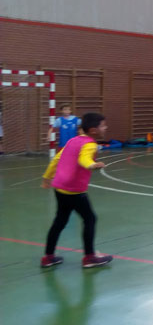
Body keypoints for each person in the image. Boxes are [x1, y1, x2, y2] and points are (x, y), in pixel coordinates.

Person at [40, 112, 113, 269]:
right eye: (103, 125)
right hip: (74, 190)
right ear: (93, 130)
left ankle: (48, 257)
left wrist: (47, 177)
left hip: (60, 187)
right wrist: (92, 165)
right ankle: (89, 257)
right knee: (90, 219)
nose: (105, 128)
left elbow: (56, 159)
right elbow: (83, 159)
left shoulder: (72, 140)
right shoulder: (90, 144)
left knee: (60, 221)